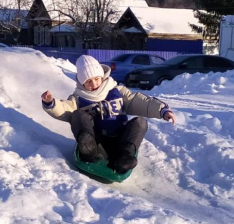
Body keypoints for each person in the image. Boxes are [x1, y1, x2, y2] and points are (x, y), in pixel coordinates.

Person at [41, 55, 176, 174]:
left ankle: (125, 156)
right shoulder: (78, 98)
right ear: (82, 82)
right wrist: (51, 103)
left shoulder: (117, 91)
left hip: (120, 138)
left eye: (96, 79)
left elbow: (139, 102)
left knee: (140, 122)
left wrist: (162, 110)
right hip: (96, 140)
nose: (94, 84)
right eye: (88, 81)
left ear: (102, 76)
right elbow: (65, 109)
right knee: (77, 114)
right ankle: (88, 149)